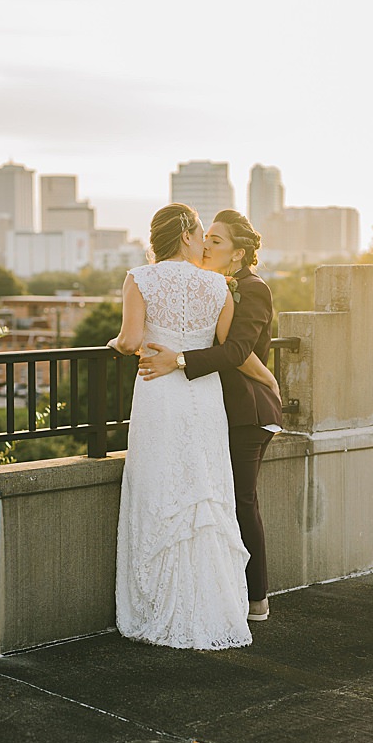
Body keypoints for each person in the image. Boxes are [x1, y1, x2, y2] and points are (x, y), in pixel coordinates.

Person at [107, 203, 276, 650]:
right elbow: (227, 345)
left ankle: (157, 602)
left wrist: (117, 344)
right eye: (202, 232)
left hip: (159, 392)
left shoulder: (139, 279)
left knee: (160, 488)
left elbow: (129, 340)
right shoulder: (218, 285)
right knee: (205, 491)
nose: (204, 240)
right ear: (187, 235)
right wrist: (267, 376)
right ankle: (213, 602)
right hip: (203, 398)